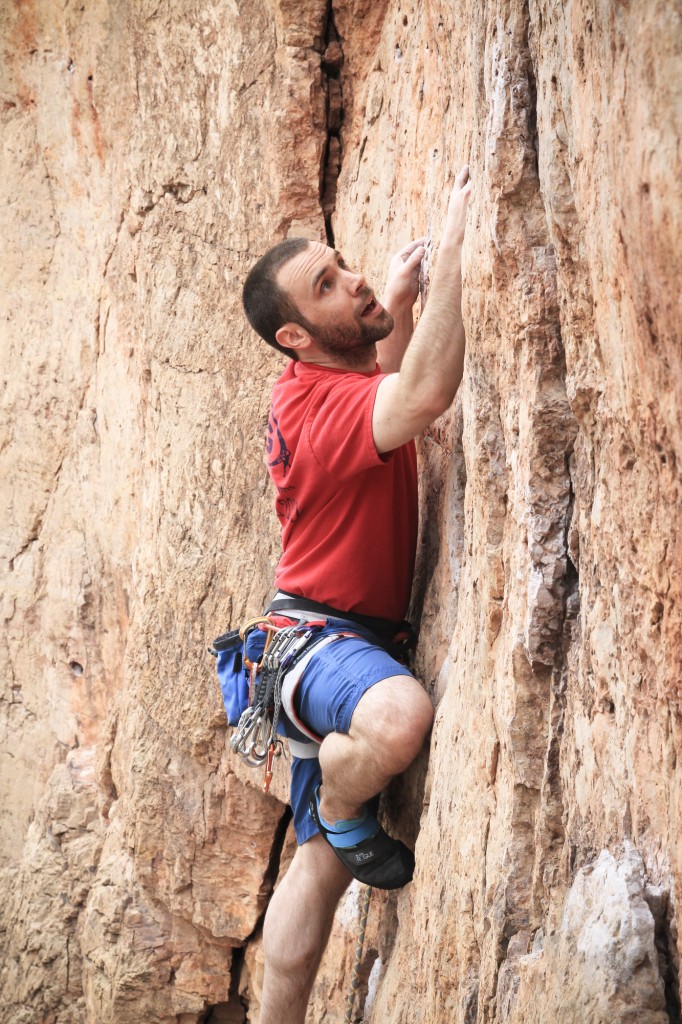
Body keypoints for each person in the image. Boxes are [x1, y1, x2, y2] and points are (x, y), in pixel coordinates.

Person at [241, 166, 471, 1024]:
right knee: (397, 719)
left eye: (341, 262)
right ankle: (343, 796)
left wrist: (400, 311)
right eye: (328, 286)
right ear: (297, 337)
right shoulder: (321, 412)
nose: (357, 279)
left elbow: (384, 378)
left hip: (318, 643)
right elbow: (421, 396)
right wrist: (451, 248)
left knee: (318, 871)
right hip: (318, 644)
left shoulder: (321, 388)